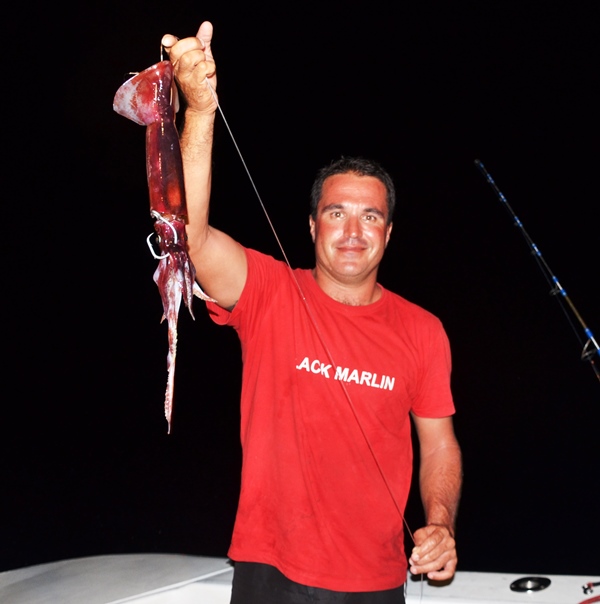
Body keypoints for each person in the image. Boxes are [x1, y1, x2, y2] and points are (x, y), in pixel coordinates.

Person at [161, 21, 462, 604]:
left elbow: (441, 443)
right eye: (336, 213)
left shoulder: (424, 331)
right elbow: (190, 240)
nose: (353, 231)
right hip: (269, 569)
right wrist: (199, 111)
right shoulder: (269, 291)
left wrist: (442, 521)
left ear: (389, 233)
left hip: (375, 582)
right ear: (311, 225)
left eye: (370, 217)